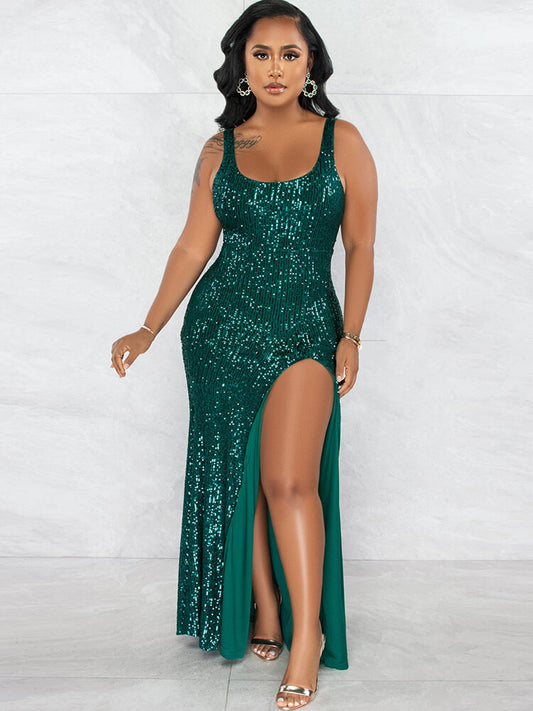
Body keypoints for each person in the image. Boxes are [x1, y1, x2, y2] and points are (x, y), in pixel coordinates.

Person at [110, 1, 377, 707]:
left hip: (305, 330)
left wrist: (351, 334)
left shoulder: (342, 140)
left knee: (289, 481)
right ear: (241, 65)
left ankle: (307, 636)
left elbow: (359, 245)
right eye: (261, 54)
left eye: (290, 54)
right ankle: (265, 611)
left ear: (311, 64)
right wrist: (147, 327)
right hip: (219, 330)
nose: (275, 68)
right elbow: (191, 247)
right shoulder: (219, 149)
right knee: (240, 477)